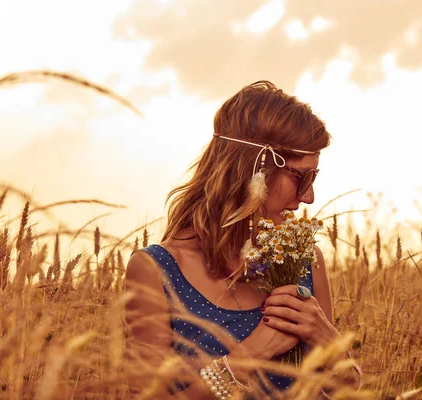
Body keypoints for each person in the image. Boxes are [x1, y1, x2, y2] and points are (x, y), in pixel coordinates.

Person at [124, 81, 361, 399]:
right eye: (300, 177)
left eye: (314, 177)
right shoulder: (156, 270)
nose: (309, 196)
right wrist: (246, 358)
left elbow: (341, 392)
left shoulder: (304, 260)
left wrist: (330, 345)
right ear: (252, 169)